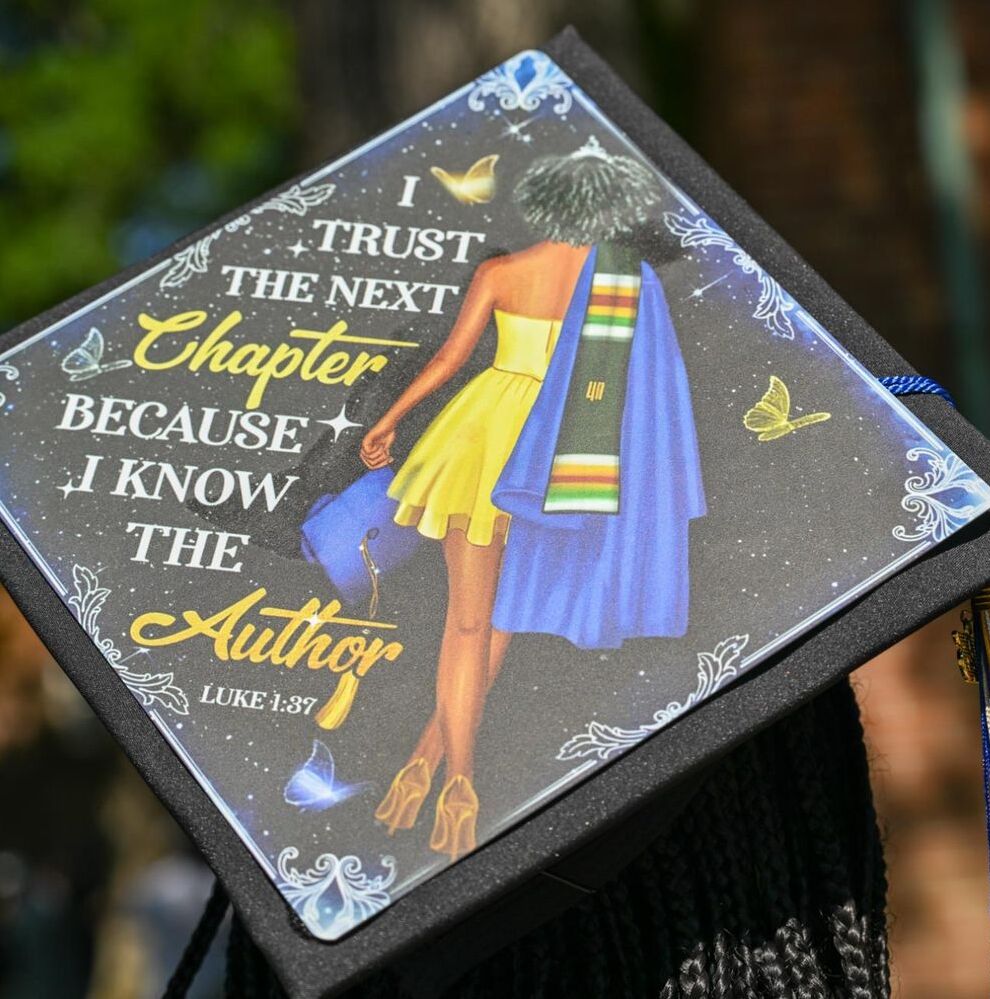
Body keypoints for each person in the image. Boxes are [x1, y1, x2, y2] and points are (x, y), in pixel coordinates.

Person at [360, 136, 704, 861]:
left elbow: (453, 360)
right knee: (500, 625)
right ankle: (438, 773)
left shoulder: (502, 270)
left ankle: (451, 775)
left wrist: (390, 419)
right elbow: (646, 386)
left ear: (545, 203)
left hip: (485, 435)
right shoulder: (620, 280)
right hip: (561, 450)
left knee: (466, 621)